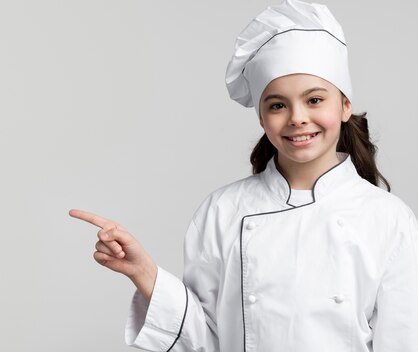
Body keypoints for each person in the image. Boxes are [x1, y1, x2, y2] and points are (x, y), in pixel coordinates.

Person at [69, 0, 418, 350]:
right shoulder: (223, 210)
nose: (297, 117)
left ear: (344, 106)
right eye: (278, 105)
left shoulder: (388, 219)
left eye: (314, 100)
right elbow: (204, 338)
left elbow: (402, 340)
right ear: (262, 118)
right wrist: (142, 271)